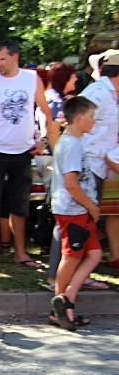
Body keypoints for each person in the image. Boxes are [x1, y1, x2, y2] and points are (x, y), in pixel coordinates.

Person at [0, 40, 54, 273]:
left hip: (23, 153)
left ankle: (20, 252)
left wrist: (44, 140)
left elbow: (45, 113)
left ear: (15, 56)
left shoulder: (31, 79)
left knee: (20, 207)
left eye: (2, 59)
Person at [49, 97, 101, 331]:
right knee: (72, 256)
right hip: (73, 210)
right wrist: (90, 205)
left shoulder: (74, 142)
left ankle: (65, 299)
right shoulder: (71, 145)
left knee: (94, 254)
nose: (94, 121)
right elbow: (71, 183)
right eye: (91, 116)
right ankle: (60, 308)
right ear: (79, 118)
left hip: (80, 210)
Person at [80, 51, 119, 268]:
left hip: (104, 164)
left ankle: (84, 269)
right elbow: (76, 122)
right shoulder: (98, 92)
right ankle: (76, 271)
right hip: (89, 163)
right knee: (85, 218)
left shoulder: (111, 93)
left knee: (91, 218)